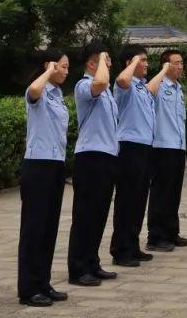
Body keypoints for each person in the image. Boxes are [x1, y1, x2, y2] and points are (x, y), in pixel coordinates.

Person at [17, 49, 70, 307]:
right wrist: (49, 71)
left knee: (49, 228)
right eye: (62, 66)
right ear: (49, 65)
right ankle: (29, 289)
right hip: (38, 165)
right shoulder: (38, 91)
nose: (66, 71)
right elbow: (34, 91)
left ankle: (43, 282)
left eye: (67, 67)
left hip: (56, 164)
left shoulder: (58, 95)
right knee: (34, 229)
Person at [67, 42, 120, 286]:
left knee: (99, 214)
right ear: (91, 64)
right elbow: (100, 82)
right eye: (104, 60)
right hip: (90, 157)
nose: (109, 64)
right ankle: (78, 268)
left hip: (107, 156)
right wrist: (102, 61)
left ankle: (92, 262)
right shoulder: (84, 85)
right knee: (85, 215)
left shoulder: (106, 92)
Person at [109, 45, 160, 267]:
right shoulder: (125, 86)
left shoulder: (141, 87)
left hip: (145, 147)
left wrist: (163, 69)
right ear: (129, 63)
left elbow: (153, 87)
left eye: (146, 60)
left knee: (139, 200)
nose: (146, 63)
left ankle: (132, 244)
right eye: (142, 60)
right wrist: (133, 63)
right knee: (127, 200)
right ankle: (120, 250)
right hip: (129, 147)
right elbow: (122, 79)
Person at [146, 49, 187, 251]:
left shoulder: (179, 88)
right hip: (162, 147)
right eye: (175, 63)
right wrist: (163, 71)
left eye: (181, 63)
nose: (180, 66)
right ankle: (155, 237)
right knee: (160, 193)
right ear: (165, 65)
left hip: (178, 146)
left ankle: (171, 232)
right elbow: (148, 91)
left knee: (174, 193)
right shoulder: (159, 85)